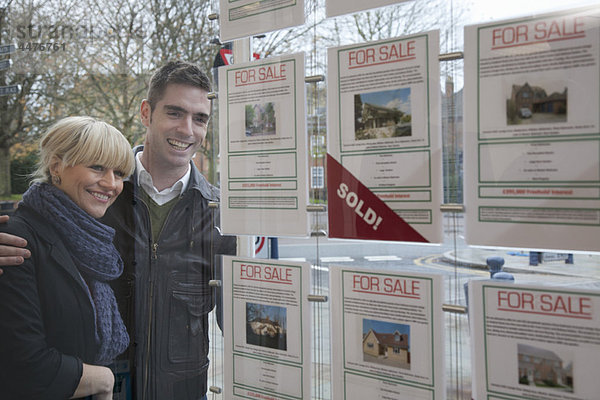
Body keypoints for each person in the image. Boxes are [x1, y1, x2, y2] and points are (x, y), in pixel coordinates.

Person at [0, 61, 237, 399]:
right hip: (92, 388)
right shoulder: (93, 201)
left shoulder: (220, 215)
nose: (187, 129)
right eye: (174, 112)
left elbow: (242, 328)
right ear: (146, 113)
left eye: (200, 118)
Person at [0, 116, 134, 399]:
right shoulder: (15, 242)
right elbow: (27, 366)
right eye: (97, 167)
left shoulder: (98, 242)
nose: (111, 184)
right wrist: (103, 379)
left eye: (120, 173)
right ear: (57, 166)